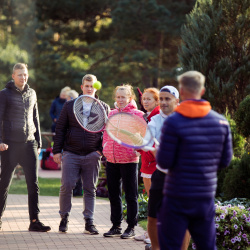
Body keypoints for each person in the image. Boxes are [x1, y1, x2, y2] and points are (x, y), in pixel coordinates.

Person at [156, 71, 233, 250]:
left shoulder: (173, 122)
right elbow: (225, 161)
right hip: (204, 197)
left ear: (181, 91)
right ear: (203, 90)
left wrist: (157, 151)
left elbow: (164, 162)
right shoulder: (221, 122)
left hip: (176, 197)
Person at [53, 74, 110, 234]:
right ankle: (64, 218)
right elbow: (60, 129)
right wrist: (57, 151)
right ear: (82, 87)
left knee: (90, 188)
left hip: (92, 154)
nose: (89, 89)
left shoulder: (103, 107)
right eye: (86, 86)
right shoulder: (70, 105)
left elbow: (107, 132)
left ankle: (89, 222)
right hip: (71, 153)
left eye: (92, 86)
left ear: (96, 87)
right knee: (66, 186)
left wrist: (99, 151)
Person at [0, 63, 51, 232]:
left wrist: (38, 143)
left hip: (30, 143)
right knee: (4, 183)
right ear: (13, 76)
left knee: (33, 184)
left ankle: (34, 221)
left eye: (25, 74)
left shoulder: (32, 93)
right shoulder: (4, 94)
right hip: (10, 145)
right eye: (20, 74)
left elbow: (35, 117)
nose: (23, 77)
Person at [145, 86, 190, 250]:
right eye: (161, 99)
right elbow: (146, 141)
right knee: (152, 217)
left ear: (177, 101)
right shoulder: (155, 121)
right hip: (161, 175)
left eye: (167, 99)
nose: (163, 102)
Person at [102, 84, 144, 239]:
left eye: (123, 97)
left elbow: (143, 135)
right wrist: (106, 148)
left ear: (130, 98)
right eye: (118, 97)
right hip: (112, 159)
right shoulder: (111, 114)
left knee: (131, 195)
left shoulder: (137, 114)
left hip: (129, 160)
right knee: (113, 194)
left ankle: (131, 226)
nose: (120, 100)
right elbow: (106, 135)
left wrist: (135, 148)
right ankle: (116, 225)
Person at [134, 88, 160, 243]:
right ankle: (151, 233)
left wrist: (143, 146)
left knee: (156, 200)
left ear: (157, 101)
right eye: (144, 99)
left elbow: (154, 143)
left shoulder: (157, 117)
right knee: (152, 199)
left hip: (154, 164)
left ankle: (155, 236)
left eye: (149, 99)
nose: (145, 101)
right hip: (146, 162)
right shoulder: (147, 116)